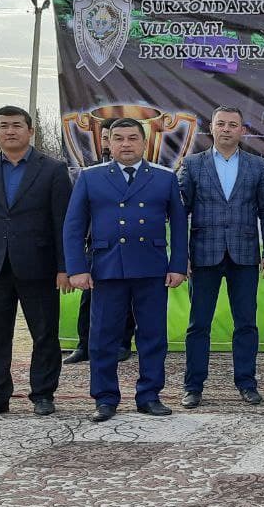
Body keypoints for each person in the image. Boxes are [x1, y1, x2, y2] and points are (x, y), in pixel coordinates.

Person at [63, 117, 188, 422]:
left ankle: (149, 395)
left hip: (150, 266)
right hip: (107, 267)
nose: (126, 144)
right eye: (118, 138)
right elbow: (74, 226)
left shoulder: (164, 177)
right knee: (103, 337)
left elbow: (179, 225)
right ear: (108, 142)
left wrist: (178, 265)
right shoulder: (90, 177)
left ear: (144, 143)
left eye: (132, 138)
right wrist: (77, 268)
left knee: (153, 335)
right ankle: (105, 398)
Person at [0, 105, 73, 420]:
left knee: (44, 334)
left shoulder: (53, 169)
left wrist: (65, 267)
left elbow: (63, 222)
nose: (10, 131)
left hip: (39, 265)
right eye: (3, 125)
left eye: (17, 125)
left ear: (30, 131)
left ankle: (43, 394)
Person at [177, 106, 264, 409]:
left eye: (233, 124)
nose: (227, 129)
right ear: (212, 128)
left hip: (244, 255)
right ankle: (193, 386)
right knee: (198, 324)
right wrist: (181, 256)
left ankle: (247, 383)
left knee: (246, 323)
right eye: (221, 124)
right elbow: (180, 212)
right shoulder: (193, 164)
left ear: (242, 130)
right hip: (203, 254)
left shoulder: (257, 165)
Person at [65, 127, 134, 365]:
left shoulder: (139, 172)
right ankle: (84, 344)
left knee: (127, 299)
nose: (106, 142)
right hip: (96, 246)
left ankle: (123, 343)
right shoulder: (90, 172)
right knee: (88, 298)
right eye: (105, 138)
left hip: (128, 247)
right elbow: (77, 214)